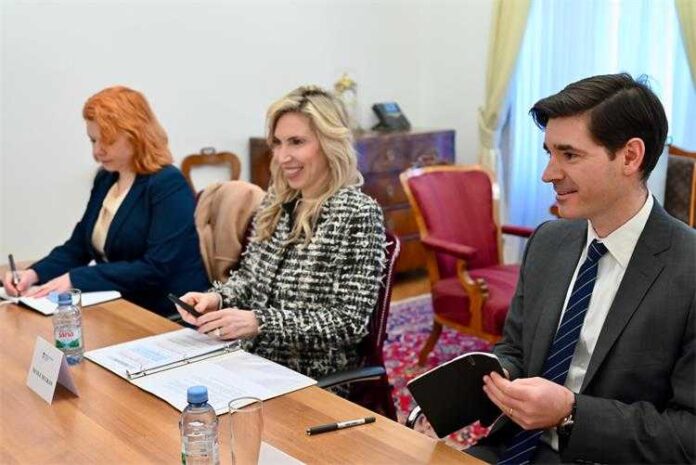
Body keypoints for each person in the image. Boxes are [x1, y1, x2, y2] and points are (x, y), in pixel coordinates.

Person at [469, 73, 695, 464]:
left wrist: (570, 412)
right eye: (549, 153)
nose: (548, 174)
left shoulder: (688, 268)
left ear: (630, 157)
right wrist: (498, 376)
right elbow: (515, 349)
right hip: (512, 448)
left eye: (569, 155)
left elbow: (688, 435)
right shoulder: (548, 241)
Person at [176, 86, 386, 382]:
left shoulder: (358, 213)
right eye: (277, 143)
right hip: (250, 359)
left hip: (310, 378)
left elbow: (348, 323)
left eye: (296, 142)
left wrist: (260, 322)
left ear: (330, 143)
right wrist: (217, 299)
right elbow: (250, 279)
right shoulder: (276, 202)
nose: (283, 156)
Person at [4, 86, 209, 317]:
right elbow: (79, 246)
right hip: (123, 305)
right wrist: (33, 274)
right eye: (93, 140)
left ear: (136, 135)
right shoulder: (106, 178)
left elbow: (156, 268)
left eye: (107, 141)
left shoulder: (167, 183)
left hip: (167, 314)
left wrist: (75, 278)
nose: (97, 151)